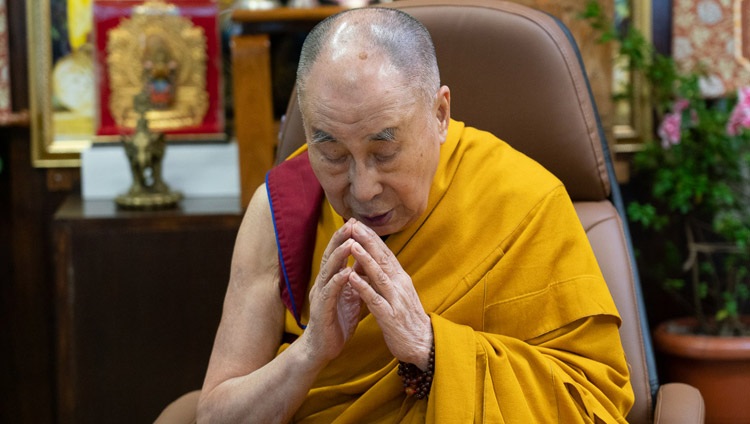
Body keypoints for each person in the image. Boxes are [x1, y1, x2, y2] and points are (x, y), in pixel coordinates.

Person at [197, 6, 634, 423]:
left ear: (440, 114)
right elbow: (217, 416)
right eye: (331, 154)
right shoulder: (282, 210)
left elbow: (591, 404)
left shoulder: (524, 200)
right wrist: (310, 353)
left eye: (384, 152)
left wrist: (429, 348)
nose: (363, 188)